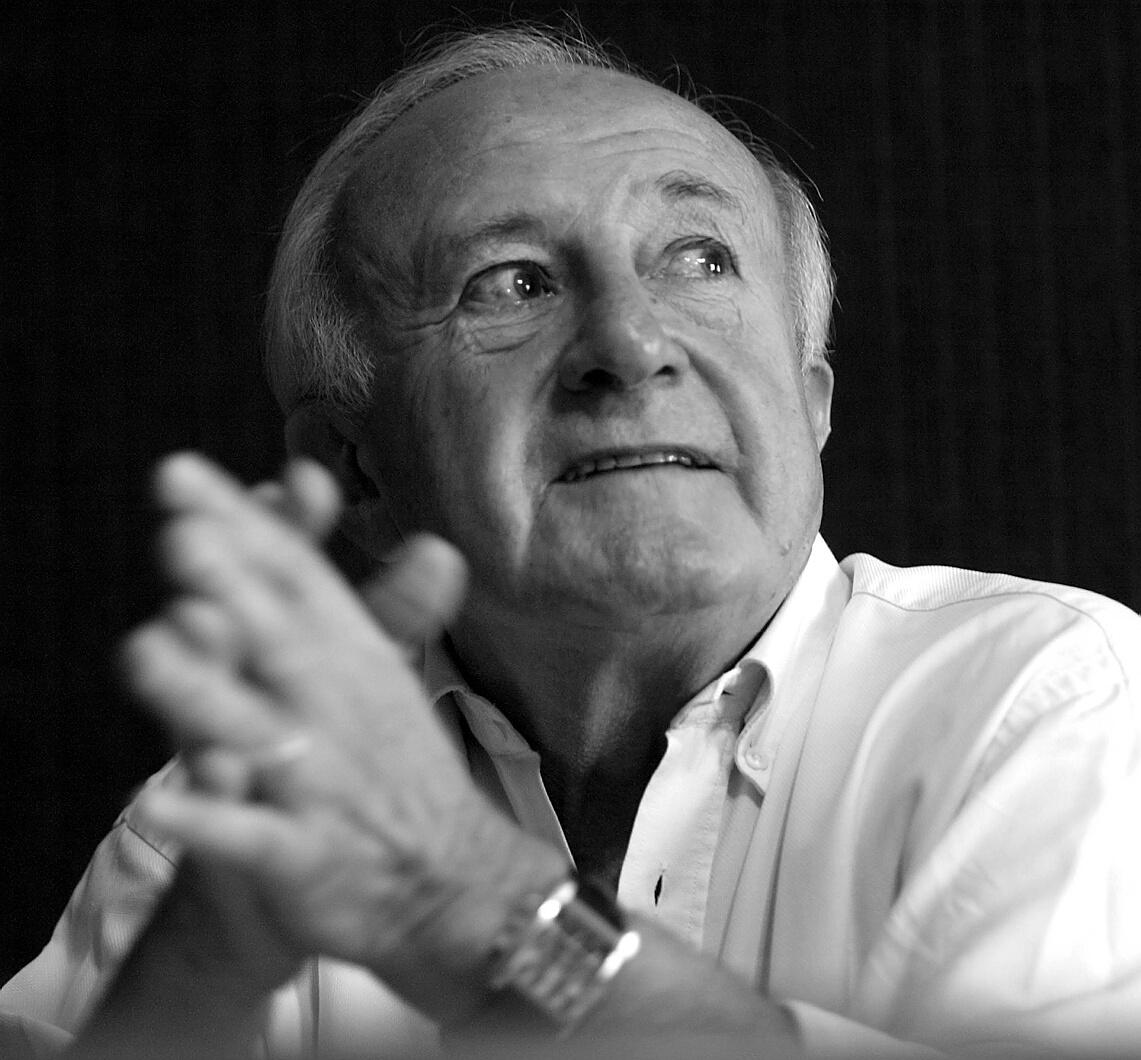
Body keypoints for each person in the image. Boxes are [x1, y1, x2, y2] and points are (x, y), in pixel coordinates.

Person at [3, 21, 1140, 1060]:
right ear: (353, 466)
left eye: (699, 257)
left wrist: (493, 916)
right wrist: (199, 967)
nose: (631, 345)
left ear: (809, 403)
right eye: (513, 283)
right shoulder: (256, 815)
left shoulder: (1049, 700)